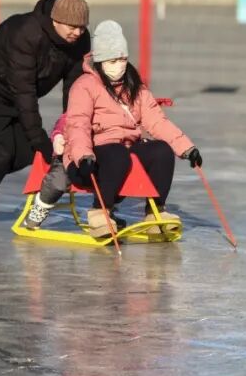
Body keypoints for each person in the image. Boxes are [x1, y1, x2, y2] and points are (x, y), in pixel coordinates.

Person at [0, 0, 90, 227]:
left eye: (82, 27)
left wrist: (71, 129)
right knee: (1, 154)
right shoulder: (26, 34)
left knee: (33, 152)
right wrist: (41, 138)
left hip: (21, 93)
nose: (77, 33)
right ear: (56, 20)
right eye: (72, 27)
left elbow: (74, 89)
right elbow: (25, 92)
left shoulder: (80, 42)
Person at [65, 21, 202, 238]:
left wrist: (186, 148)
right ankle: (101, 211)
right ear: (100, 61)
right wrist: (84, 156)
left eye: (122, 59)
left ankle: (155, 212)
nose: (119, 65)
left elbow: (156, 121)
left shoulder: (134, 85)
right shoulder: (84, 86)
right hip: (92, 155)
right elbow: (77, 125)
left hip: (126, 149)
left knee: (161, 151)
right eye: (113, 60)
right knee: (117, 154)